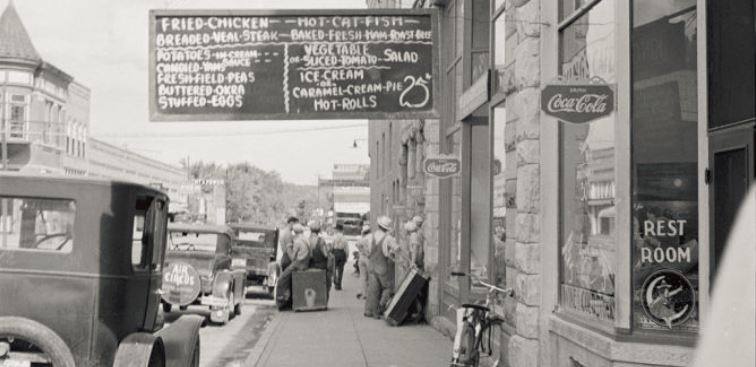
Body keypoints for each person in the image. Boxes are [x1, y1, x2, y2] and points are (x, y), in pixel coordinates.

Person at [362, 215, 400, 319]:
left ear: (378, 225)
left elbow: (358, 244)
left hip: (371, 266)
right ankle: (380, 308)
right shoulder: (388, 238)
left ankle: (371, 311)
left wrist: (366, 253)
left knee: (373, 289)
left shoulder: (370, 236)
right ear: (387, 228)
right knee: (388, 288)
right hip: (382, 267)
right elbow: (397, 249)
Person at [276, 223, 310, 310]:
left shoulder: (297, 241)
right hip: (305, 263)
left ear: (295, 232)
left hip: (298, 264)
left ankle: (282, 302)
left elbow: (293, 256)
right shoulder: (306, 239)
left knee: (282, 279)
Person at [307, 220, 333, 296]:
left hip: (310, 265)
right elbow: (325, 255)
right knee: (327, 282)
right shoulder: (321, 241)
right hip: (320, 265)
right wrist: (329, 250)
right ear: (319, 231)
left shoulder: (307, 240)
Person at [355, 224, 371, 300]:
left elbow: (357, 244)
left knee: (363, 277)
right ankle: (368, 293)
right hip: (368, 259)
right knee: (370, 276)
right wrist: (367, 253)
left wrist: (362, 251)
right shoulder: (370, 238)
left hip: (361, 258)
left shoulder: (362, 239)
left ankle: (363, 293)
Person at [330, 224, 349, 290]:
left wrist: (331, 253)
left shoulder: (334, 237)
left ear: (337, 229)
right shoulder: (344, 238)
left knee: (334, 268)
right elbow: (346, 249)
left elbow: (331, 246)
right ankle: (339, 285)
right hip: (342, 253)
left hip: (335, 253)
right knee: (341, 270)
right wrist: (347, 256)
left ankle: (335, 282)